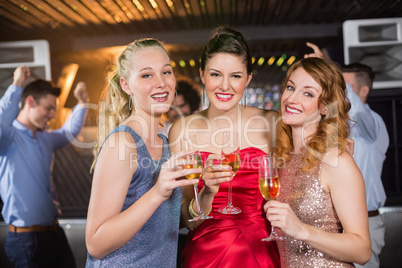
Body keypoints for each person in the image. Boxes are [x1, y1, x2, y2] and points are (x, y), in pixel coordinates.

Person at [169, 26, 280, 267]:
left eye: (236, 76)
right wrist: (208, 192)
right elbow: (186, 220)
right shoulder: (181, 131)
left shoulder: (273, 123)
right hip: (204, 255)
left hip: (260, 252)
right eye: (216, 74)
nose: (225, 86)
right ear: (202, 74)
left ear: (248, 79)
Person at [85, 38, 200, 267]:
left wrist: (208, 194)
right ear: (127, 85)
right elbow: (96, 244)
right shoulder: (123, 142)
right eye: (147, 75)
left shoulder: (167, 143)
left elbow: (170, 223)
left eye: (166, 72)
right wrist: (157, 192)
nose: (161, 83)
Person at [264, 57, 372, 267]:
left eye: (307, 93)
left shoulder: (336, 161)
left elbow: (363, 250)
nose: (291, 99)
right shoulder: (282, 159)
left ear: (325, 107)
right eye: (290, 87)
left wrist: (302, 230)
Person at [305, 43, 389, 268]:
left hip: (366, 225)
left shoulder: (374, 124)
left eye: (345, 85)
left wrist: (329, 67)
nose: (338, 90)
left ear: (363, 91)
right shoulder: (333, 125)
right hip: (335, 228)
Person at [0, 65, 89, 267]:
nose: (51, 115)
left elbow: (70, 131)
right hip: (27, 242)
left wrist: (83, 103)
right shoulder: (7, 138)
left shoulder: (45, 138)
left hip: (55, 234)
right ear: (30, 102)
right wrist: (17, 85)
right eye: (48, 108)